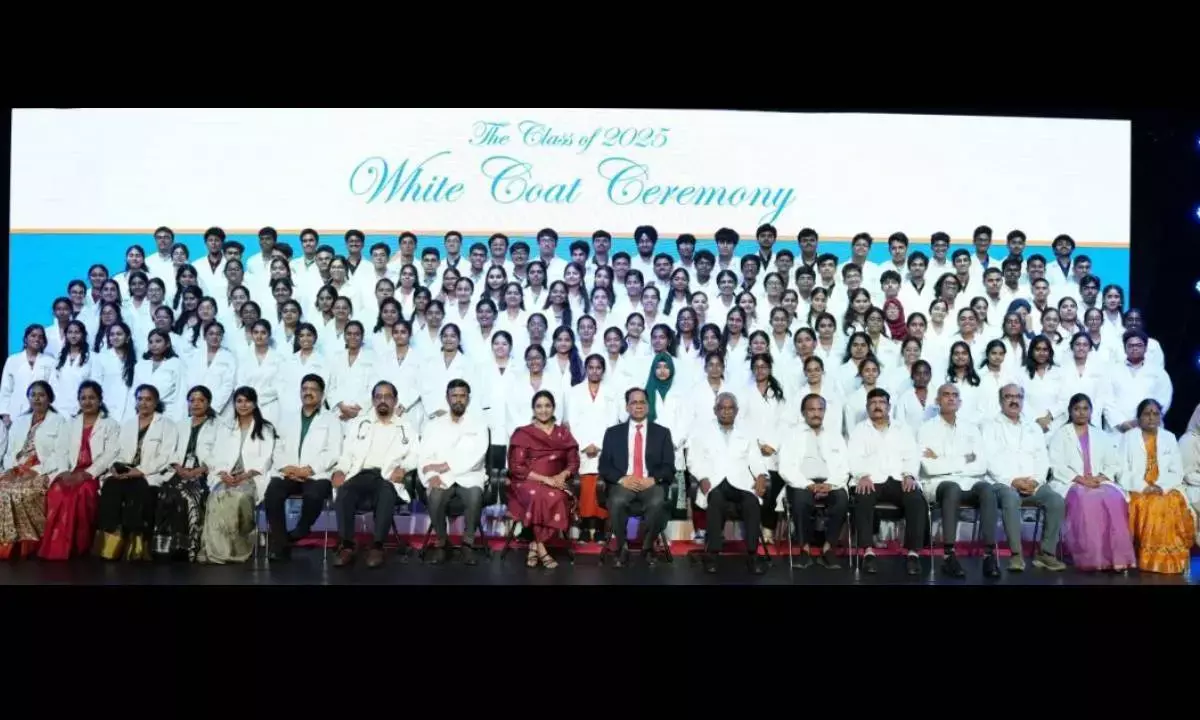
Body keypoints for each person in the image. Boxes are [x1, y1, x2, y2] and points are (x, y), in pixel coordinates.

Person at [331, 381, 419, 569]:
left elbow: (416, 454)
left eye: (387, 397)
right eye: (378, 397)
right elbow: (346, 454)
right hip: (360, 474)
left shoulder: (406, 426)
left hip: (386, 476)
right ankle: (346, 545)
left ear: (395, 401)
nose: (383, 401)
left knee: (386, 492)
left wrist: (403, 468)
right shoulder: (359, 423)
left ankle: (377, 546)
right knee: (345, 491)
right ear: (373, 400)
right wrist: (340, 469)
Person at [982, 384, 1068, 572]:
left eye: (1018, 397)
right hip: (1002, 483)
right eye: (1008, 396)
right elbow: (988, 459)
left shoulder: (1033, 427)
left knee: (1056, 501)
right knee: (1011, 498)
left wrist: (1036, 480)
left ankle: (1046, 554)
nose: (1014, 400)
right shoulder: (989, 426)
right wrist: (1013, 481)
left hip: (1033, 483)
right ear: (1000, 401)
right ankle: (1016, 555)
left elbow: (1042, 459)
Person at [1048, 393, 1135, 572]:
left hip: (1098, 481)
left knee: (1114, 499)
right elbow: (1056, 464)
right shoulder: (1061, 434)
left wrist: (1100, 478)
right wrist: (1080, 479)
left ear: (1091, 411)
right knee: (1087, 499)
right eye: (1077, 409)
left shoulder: (1100, 435)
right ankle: (1093, 558)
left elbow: (1113, 463)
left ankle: (1117, 558)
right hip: (1071, 482)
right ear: (1070, 412)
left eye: (1085, 409)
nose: (1081, 413)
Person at [918, 384, 997, 578]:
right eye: (946, 395)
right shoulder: (926, 429)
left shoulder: (971, 429)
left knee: (987, 489)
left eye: (955, 395)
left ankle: (989, 554)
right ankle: (949, 555)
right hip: (938, 484)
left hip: (969, 481)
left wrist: (943, 460)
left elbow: (981, 464)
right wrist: (964, 459)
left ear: (960, 402)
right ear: (937, 401)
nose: (951, 398)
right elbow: (929, 467)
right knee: (952, 488)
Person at [264, 374, 343, 562]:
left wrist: (310, 469)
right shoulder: (287, 418)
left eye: (313, 389)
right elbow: (277, 447)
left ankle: (301, 529)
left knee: (314, 494)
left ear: (322, 394)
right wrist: (286, 467)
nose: (308, 393)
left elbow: (334, 451)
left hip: (316, 474)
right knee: (273, 493)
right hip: (289, 472)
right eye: (304, 389)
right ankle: (281, 543)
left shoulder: (331, 420)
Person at [96, 384, 179, 561]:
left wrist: (140, 471)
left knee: (138, 490)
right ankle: (111, 542)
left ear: (156, 402)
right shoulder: (128, 424)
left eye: (148, 399)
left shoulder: (167, 425)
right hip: (125, 471)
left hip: (149, 473)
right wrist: (113, 467)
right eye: (140, 399)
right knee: (110, 487)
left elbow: (166, 456)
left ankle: (138, 544)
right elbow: (115, 451)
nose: (144, 403)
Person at [689, 393, 770, 574]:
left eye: (730, 408)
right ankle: (713, 554)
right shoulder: (702, 432)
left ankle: (752, 554)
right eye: (722, 408)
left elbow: (756, 460)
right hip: (714, 481)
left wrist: (761, 476)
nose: (726, 412)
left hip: (740, 482)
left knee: (751, 502)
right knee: (716, 499)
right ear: (715, 411)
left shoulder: (746, 433)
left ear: (736, 411)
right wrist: (702, 477)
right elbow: (694, 459)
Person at [848, 388, 927, 576]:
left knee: (916, 499)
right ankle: (868, 552)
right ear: (867, 408)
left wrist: (909, 474)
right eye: (873, 403)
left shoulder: (903, 428)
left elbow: (912, 456)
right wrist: (863, 475)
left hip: (899, 478)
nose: (877, 406)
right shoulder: (859, 430)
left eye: (881, 403)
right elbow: (853, 457)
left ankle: (913, 553)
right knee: (863, 497)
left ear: (889, 406)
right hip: (871, 479)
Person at [41, 381, 120, 560]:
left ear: (100, 400)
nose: (87, 402)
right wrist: (63, 472)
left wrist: (87, 474)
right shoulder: (71, 423)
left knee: (82, 493)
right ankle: (56, 547)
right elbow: (60, 450)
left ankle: (78, 547)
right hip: (70, 471)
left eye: (92, 397)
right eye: (83, 398)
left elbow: (111, 453)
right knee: (57, 492)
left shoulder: (110, 424)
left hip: (94, 473)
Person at [598, 388, 676, 568]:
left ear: (648, 407)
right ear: (627, 407)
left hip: (650, 484)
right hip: (624, 483)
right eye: (634, 402)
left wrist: (653, 479)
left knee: (657, 501)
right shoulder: (613, 433)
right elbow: (604, 466)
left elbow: (669, 466)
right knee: (616, 501)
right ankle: (621, 547)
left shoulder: (662, 433)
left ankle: (647, 547)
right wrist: (622, 479)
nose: (638, 406)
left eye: (642, 402)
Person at [200, 386, 277, 564]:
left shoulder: (265, 428)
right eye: (239, 401)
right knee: (217, 497)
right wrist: (222, 473)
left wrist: (246, 475)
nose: (243, 405)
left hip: (250, 477)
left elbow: (267, 458)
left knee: (238, 498)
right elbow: (216, 455)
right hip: (226, 476)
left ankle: (237, 549)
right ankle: (216, 550)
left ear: (255, 403)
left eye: (247, 400)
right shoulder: (225, 427)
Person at [1116, 399, 1194, 574]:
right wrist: (1143, 486)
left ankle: (1170, 559)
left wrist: (1160, 486)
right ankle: (1149, 559)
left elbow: (1177, 471)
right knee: (1152, 504)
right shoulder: (1128, 437)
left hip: (1165, 487)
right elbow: (1121, 470)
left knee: (1170, 502)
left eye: (1155, 413)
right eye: (1146, 413)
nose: (1151, 418)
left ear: (1160, 417)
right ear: (1139, 417)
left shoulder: (1169, 437)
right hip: (1137, 489)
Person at [507, 390, 580, 569]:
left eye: (547, 406)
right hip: (526, 481)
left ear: (553, 408)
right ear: (533, 409)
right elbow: (517, 466)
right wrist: (546, 480)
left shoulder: (563, 434)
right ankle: (542, 549)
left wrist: (561, 476)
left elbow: (573, 461)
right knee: (539, 495)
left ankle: (533, 545)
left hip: (557, 481)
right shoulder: (523, 433)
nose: (543, 410)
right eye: (539, 406)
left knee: (559, 497)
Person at [419, 380, 489, 565]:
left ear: (468, 398)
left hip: (470, 475)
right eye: (454, 396)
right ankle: (442, 543)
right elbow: (425, 457)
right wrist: (431, 475)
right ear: (447, 398)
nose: (458, 400)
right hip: (441, 477)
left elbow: (477, 455)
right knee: (435, 496)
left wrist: (445, 465)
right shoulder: (433, 425)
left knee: (474, 495)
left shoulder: (479, 424)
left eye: (462, 396)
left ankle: (468, 544)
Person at [777, 394, 850, 569]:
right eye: (811, 409)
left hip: (831, 482)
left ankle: (828, 548)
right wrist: (807, 484)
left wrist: (830, 484)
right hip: (801, 483)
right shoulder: (792, 435)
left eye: (820, 409)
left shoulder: (835, 435)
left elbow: (844, 466)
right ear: (803, 412)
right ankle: (805, 549)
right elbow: (785, 467)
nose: (816, 413)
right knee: (801, 500)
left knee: (841, 500)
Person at [151, 385, 220, 562]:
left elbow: (219, 454)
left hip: (203, 473)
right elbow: (170, 450)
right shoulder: (179, 425)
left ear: (208, 403)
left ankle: (186, 548)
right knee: (166, 494)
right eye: (192, 400)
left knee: (187, 497)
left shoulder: (218, 426)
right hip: (179, 471)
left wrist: (200, 469)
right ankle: (164, 548)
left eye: (201, 400)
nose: (196, 404)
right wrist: (178, 467)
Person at [0, 381, 66, 559]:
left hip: (42, 470)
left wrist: (35, 470)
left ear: (50, 398)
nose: (37, 398)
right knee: (2, 489)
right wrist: (10, 469)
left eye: (41, 395)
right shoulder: (20, 421)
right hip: (15, 467)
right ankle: (6, 543)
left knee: (20, 491)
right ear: (28, 398)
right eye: (33, 395)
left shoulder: (60, 422)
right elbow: (9, 451)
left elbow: (60, 454)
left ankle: (26, 544)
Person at [565, 355, 621, 543]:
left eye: (598, 368)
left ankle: (598, 527)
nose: (594, 371)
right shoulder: (574, 392)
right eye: (591, 367)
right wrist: (584, 444)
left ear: (603, 370)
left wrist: (598, 444)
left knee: (601, 485)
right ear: (586, 369)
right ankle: (582, 526)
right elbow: (572, 421)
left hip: (603, 448)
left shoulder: (612, 392)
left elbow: (613, 421)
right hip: (581, 447)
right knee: (582, 485)